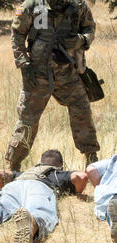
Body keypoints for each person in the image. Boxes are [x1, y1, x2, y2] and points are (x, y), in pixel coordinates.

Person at [5, 0, 100, 171]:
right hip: (37, 74)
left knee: (82, 110)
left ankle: (92, 159)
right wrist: (24, 64)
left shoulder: (79, 6)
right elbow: (17, 33)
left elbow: (89, 28)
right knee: (28, 119)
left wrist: (81, 40)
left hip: (68, 72)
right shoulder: (32, 5)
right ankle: (13, 166)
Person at [86, 154, 117, 243]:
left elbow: (91, 170)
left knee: (112, 206)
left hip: (111, 195)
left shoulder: (114, 160)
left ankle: (112, 220)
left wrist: (101, 189)